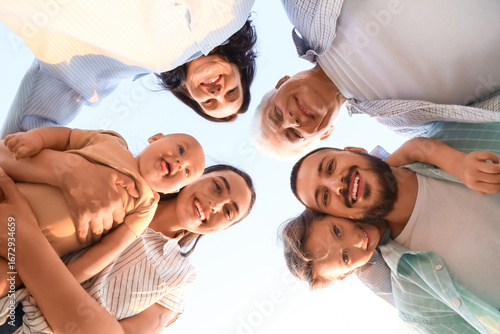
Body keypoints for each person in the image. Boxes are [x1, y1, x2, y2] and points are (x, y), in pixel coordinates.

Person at [0, 164, 256, 333]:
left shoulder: (181, 277)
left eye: (228, 211)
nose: (216, 204)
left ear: (222, 229)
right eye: (218, 187)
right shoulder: (122, 194)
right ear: (196, 175)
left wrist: (26, 243)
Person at [283, 142, 500, 332]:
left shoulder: (440, 146)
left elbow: (390, 163)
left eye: (337, 231)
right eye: (346, 257)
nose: (356, 241)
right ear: (348, 273)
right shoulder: (413, 299)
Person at [254, 0, 500, 156]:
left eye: (276, 114)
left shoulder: (298, 6)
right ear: (326, 134)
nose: (290, 121)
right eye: (294, 135)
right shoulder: (406, 125)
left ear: (280, 83)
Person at [0, 1, 257, 137]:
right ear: (239, 68)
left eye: (210, 103)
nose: (217, 93)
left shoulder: (117, 71)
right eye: (232, 92)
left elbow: (23, 132)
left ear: (190, 94)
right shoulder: (229, 12)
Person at [0, 127, 205, 296]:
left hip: (21, 256)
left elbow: (107, 250)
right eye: (180, 149)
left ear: (175, 190)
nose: (180, 163)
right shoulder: (112, 141)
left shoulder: (145, 206)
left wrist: (62, 281)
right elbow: (68, 137)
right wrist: (37, 138)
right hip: (10, 195)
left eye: (187, 172)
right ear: (155, 138)